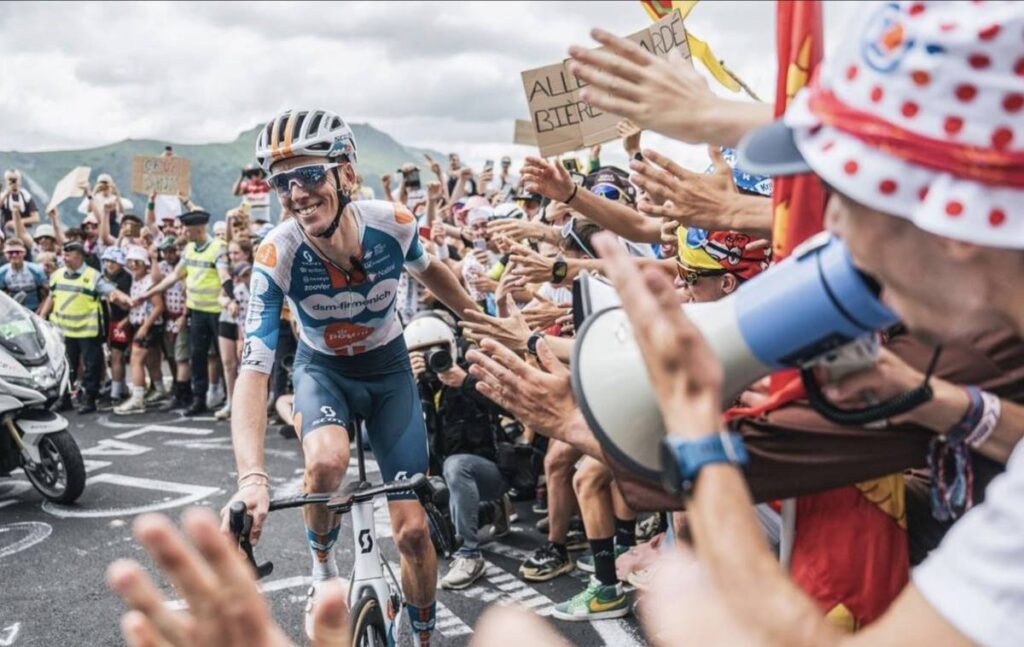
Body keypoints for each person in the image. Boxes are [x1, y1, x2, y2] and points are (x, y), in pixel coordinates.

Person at [224, 108, 481, 645]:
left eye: (311, 175)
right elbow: (253, 370)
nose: (297, 193)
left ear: (345, 172)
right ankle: (322, 569)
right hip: (324, 373)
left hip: (388, 371)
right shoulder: (278, 252)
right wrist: (252, 477)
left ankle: (424, 635)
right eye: (282, 181)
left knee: (412, 532)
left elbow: (429, 268)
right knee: (325, 464)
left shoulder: (393, 223)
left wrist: (479, 319)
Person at [404, 313, 512, 591]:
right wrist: (412, 385)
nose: (430, 358)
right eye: (419, 354)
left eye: (435, 351)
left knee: (456, 464)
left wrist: (465, 383)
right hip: (447, 482)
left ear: (451, 346)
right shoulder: (418, 386)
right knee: (431, 541)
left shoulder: (473, 371)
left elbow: (510, 408)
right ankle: (488, 511)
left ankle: (471, 555)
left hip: (492, 471)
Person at [139, 209, 230, 416]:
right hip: (197, 312)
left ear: (198, 229)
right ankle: (199, 399)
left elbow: (224, 276)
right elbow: (173, 277)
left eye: (187, 231)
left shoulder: (217, 248)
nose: (184, 234)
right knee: (196, 356)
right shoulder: (189, 249)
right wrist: (149, 294)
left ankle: (229, 398)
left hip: (217, 311)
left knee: (225, 358)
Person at [39, 241, 129, 414]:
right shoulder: (57, 275)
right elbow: (52, 296)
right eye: (63, 255)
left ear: (79, 256)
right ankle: (64, 399)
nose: (64, 258)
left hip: (87, 331)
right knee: (65, 368)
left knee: (91, 366)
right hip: (64, 331)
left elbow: (111, 291)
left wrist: (125, 300)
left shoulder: (92, 276)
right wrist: (42, 316)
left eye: (68, 255)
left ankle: (89, 399)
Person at [114, 246, 164, 415]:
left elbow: (158, 306)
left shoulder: (149, 281)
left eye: (137, 262)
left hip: (149, 325)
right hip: (139, 323)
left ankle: (137, 398)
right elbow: (138, 306)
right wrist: (127, 320)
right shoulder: (135, 280)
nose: (133, 265)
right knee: (151, 360)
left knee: (136, 360)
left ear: (145, 263)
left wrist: (144, 327)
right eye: (131, 261)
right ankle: (159, 388)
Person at [0, 237, 48, 313]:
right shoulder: (2, 272)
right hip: (13, 311)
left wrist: (40, 313)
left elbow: (47, 295)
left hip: (35, 309)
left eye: (18, 252)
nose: (14, 255)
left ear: (24, 253)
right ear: (5, 254)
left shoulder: (36, 270)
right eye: (10, 252)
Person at [1, 169, 40, 234]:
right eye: (10, 179)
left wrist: (17, 222)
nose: (13, 182)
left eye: (15, 179)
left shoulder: (26, 196)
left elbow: (36, 218)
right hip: (7, 231)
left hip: (25, 230)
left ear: (20, 181)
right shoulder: (3, 196)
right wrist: (7, 193)